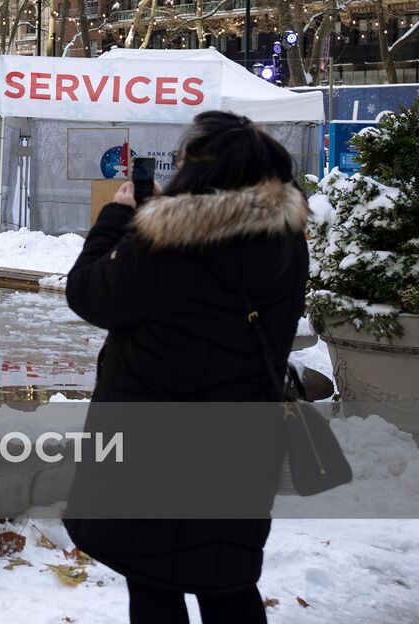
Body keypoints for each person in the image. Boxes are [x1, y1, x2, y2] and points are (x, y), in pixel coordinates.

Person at [63, 111, 309, 624]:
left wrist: (118, 220)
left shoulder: (162, 242)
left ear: (200, 171)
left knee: (154, 582)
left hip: (156, 445)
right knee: (229, 581)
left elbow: (89, 294)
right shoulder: (287, 239)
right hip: (243, 443)